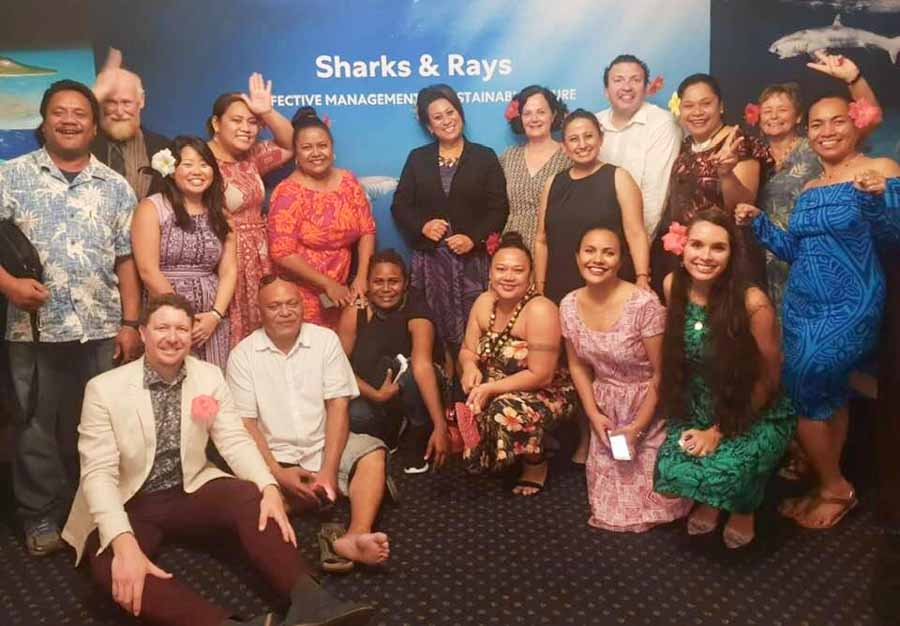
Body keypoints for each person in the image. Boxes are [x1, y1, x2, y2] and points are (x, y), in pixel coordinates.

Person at [61, 294, 374, 626]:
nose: (172, 337)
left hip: (190, 487)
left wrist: (268, 486)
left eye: (181, 328)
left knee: (251, 496)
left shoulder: (208, 376)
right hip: (130, 500)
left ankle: (312, 602)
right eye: (161, 327)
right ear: (142, 333)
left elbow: (234, 440)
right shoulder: (103, 389)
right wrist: (124, 545)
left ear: (191, 332)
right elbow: (98, 475)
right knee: (111, 563)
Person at [736, 95, 900, 529]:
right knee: (830, 392)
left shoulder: (881, 169)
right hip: (803, 302)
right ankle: (827, 484)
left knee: (802, 380)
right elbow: (795, 250)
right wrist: (759, 223)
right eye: (817, 124)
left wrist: (879, 196)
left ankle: (834, 487)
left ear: (855, 125)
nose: (826, 131)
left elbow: (892, 235)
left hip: (852, 301)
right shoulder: (809, 189)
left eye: (837, 122)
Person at [0, 80, 142, 557]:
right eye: (59, 112)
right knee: (36, 424)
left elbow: (126, 259)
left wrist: (131, 322)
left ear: (94, 124)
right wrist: (9, 286)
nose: (69, 120)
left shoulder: (115, 186)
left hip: (101, 328)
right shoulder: (11, 175)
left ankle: (99, 513)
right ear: (43, 122)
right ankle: (39, 516)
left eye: (80, 113)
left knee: (102, 425)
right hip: (32, 329)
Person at [228, 276, 391, 573]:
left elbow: (338, 406)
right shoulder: (242, 356)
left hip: (326, 442)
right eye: (275, 306)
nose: (285, 311)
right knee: (248, 506)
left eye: (292, 304)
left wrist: (328, 469)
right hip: (276, 456)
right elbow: (246, 425)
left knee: (372, 453)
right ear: (260, 311)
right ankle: (329, 495)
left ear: (303, 306)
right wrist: (277, 473)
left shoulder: (325, 340)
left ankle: (354, 535)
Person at [653, 211, 794, 549]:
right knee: (670, 472)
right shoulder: (673, 286)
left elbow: (768, 381)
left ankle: (745, 508)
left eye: (718, 248)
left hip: (751, 410)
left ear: (732, 255)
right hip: (698, 405)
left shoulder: (753, 303)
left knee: (730, 470)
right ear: (682, 249)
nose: (705, 256)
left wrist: (718, 430)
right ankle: (712, 499)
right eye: (697, 245)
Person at [561, 226, 691, 531]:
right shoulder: (567, 304)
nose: (598, 259)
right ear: (577, 257)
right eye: (590, 251)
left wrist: (638, 426)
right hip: (606, 407)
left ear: (621, 261)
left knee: (659, 501)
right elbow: (578, 366)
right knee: (609, 506)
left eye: (609, 252)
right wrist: (594, 414)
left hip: (651, 404)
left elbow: (664, 371)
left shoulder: (643, 305)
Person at [391, 84, 509, 358]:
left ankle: (475, 393)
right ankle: (445, 393)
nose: (447, 120)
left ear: (460, 113)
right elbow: (400, 205)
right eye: (438, 117)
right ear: (429, 126)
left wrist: (474, 238)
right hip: (432, 266)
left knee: (477, 332)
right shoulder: (418, 159)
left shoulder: (484, 156)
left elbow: (499, 208)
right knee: (435, 339)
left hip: (472, 264)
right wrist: (423, 225)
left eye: (450, 112)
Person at [756, 51, 880, 312]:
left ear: (799, 117)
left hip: (819, 255)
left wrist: (853, 79)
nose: (774, 115)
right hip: (768, 256)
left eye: (782, 109)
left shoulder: (818, 145)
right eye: (768, 110)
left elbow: (868, 118)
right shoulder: (752, 154)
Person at [458, 232, 575, 495]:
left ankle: (536, 461)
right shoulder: (483, 302)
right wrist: (469, 367)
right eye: (501, 269)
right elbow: (467, 349)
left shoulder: (541, 309)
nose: (508, 277)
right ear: (490, 273)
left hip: (545, 391)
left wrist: (491, 389)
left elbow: (541, 375)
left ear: (530, 276)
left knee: (503, 407)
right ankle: (509, 450)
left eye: (517, 270)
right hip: (497, 384)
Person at [650, 73, 771, 295]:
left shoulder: (738, 143)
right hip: (689, 259)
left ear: (721, 106)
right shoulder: (686, 146)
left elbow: (742, 206)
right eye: (688, 105)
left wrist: (725, 173)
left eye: (706, 104)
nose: (697, 112)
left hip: (727, 260)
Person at [336, 250, 449, 472]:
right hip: (372, 390)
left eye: (393, 281)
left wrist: (440, 424)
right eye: (378, 282)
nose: (386, 289)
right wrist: (375, 394)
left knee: (415, 377)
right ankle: (391, 433)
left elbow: (422, 365)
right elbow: (338, 367)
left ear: (405, 283)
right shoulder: (355, 312)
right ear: (367, 284)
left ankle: (419, 432)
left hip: (414, 389)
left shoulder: (417, 309)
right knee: (354, 416)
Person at [131, 136, 237, 368]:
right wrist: (183, 319)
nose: (197, 171)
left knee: (210, 391)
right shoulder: (152, 208)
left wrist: (215, 316)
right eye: (187, 164)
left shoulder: (220, 213)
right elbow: (148, 270)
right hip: (167, 319)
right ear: (170, 169)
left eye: (204, 164)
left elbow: (229, 270)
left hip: (211, 323)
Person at [207, 73, 294, 347]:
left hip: (259, 259)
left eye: (252, 122)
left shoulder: (251, 156)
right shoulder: (199, 160)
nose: (246, 128)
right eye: (236, 120)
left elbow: (290, 144)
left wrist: (266, 112)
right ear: (216, 123)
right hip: (223, 260)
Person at [267, 107, 375, 329]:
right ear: (296, 154)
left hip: (344, 289)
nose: (316, 153)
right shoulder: (288, 192)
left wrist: (361, 277)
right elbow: (282, 252)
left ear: (332, 149)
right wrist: (328, 285)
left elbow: (367, 230)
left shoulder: (348, 181)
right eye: (307, 148)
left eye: (322, 145)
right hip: (301, 294)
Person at [534, 109, 650, 303]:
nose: (582, 145)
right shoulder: (553, 183)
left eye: (588, 136)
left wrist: (642, 277)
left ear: (601, 139)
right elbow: (541, 240)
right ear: (563, 146)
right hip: (558, 288)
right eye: (573, 139)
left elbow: (636, 232)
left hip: (609, 289)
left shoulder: (619, 178)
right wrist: (539, 285)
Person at [595, 54, 682, 238]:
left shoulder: (662, 123)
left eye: (635, 80)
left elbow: (655, 199)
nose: (626, 87)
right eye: (618, 80)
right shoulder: (594, 124)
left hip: (639, 239)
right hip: (596, 239)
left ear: (646, 88)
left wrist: (637, 247)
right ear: (606, 90)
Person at [499, 85, 570, 253]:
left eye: (541, 112)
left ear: (553, 115)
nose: (534, 119)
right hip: (513, 248)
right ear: (520, 118)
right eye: (527, 113)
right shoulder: (508, 157)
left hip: (556, 245)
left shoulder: (569, 156)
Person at [91, 48, 169, 200]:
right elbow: (50, 133)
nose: (119, 111)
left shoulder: (164, 147)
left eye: (126, 102)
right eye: (110, 102)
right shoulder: (83, 144)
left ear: (141, 101)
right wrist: (95, 95)